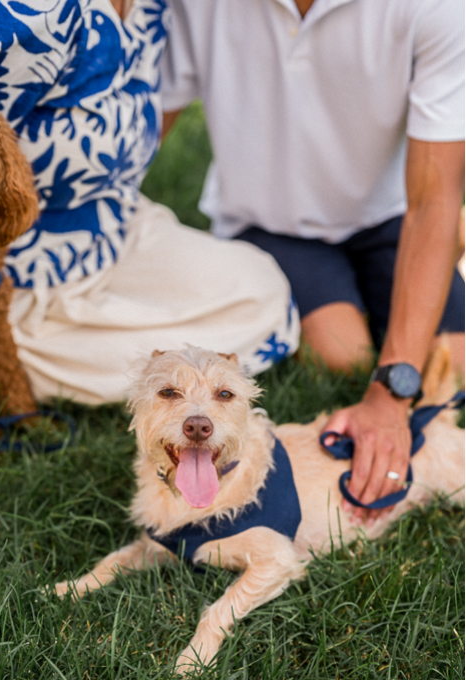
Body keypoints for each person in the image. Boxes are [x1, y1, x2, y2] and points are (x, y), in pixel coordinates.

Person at [160, 0, 465, 523]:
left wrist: (392, 395)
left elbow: (435, 200)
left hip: (390, 214)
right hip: (268, 223)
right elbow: (146, 126)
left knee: (453, 364)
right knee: (343, 356)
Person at [0, 0, 301, 408]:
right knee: (141, 362)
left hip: (117, 229)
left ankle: (78, 354)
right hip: (16, 272)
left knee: (262, 290)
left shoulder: (154, 6)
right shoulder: (23, 11)